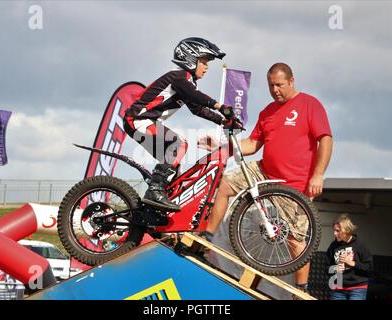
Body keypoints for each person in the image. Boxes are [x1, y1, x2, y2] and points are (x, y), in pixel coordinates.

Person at [197, 62, 333, 294]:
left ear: (291, 81)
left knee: (296, 240)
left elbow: (326, 139)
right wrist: (222, 146)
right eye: (271, 86)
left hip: (295, 184)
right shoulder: (268, 112)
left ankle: (301, 290)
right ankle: (207, 237)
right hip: (264, 171)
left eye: (279, 85)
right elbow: (252, 144)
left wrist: (318, 174)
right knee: (225, 184)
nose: (275, 90)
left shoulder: (310, 104)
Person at [124, 37, 233, 215]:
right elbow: (195, 95)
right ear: (190, 58)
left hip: (144, 122)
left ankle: (153, 211)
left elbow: (197, 109)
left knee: (173, 172)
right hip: (137, 119)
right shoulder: (180, 77)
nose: (206, 67)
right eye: (204, 61)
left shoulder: (187, 82)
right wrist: (220, 106)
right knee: (178, 144)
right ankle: (155, 191)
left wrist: (223, 120)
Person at [326, 214, 372, 300]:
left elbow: (369, 268)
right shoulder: (333, 246)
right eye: (334, 230)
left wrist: (352, 263)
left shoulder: (360, 245)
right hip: (337, 288)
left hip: (357, 288)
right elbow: (326, 267)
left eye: (338, 231)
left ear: (346, 230)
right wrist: (335, 268)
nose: (334, 233)